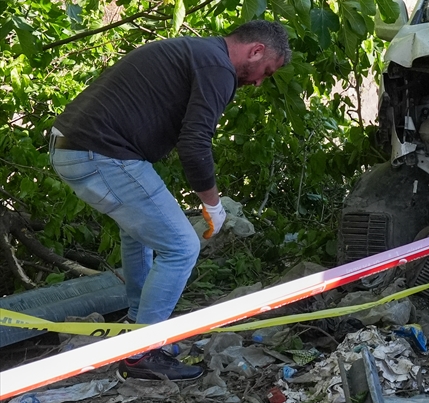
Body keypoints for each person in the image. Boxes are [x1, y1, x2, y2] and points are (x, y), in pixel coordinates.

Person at [49, 20, 291, 381]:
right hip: (99, 152)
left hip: (73, 146)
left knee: (139, 234)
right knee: (181, 246)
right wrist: (213, 204)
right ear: (255, 51)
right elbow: (194, 143)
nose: (258, 83)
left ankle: (136, 327)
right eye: (266, 72)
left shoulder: (200, 52)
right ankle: (141, 354)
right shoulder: (218, 67)